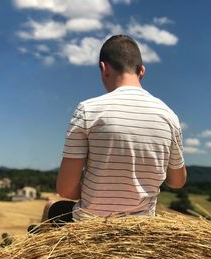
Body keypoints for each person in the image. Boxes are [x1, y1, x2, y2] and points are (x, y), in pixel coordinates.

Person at [42, 34, 186, 225]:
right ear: (142, 71)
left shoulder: (87, 110)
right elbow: (177, 181)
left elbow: (66, 189)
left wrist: (96, 191)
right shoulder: (169, 116)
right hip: (142, 228)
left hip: (88, 225)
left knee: (50, 207)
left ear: (104, 68)